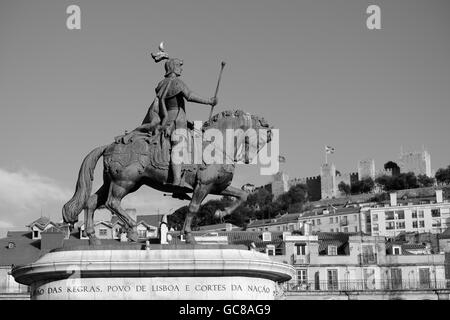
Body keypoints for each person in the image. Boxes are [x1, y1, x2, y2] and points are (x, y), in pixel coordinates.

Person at [154, 56, 217, 187]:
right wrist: (209, 101)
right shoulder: (176, 82)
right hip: (176, 120)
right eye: (179, 66)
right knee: (179, 147)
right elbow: (189, 95)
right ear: (173, 67)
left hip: (168, 118)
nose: (181, 69)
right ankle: (177, 180)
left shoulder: (161, 84)